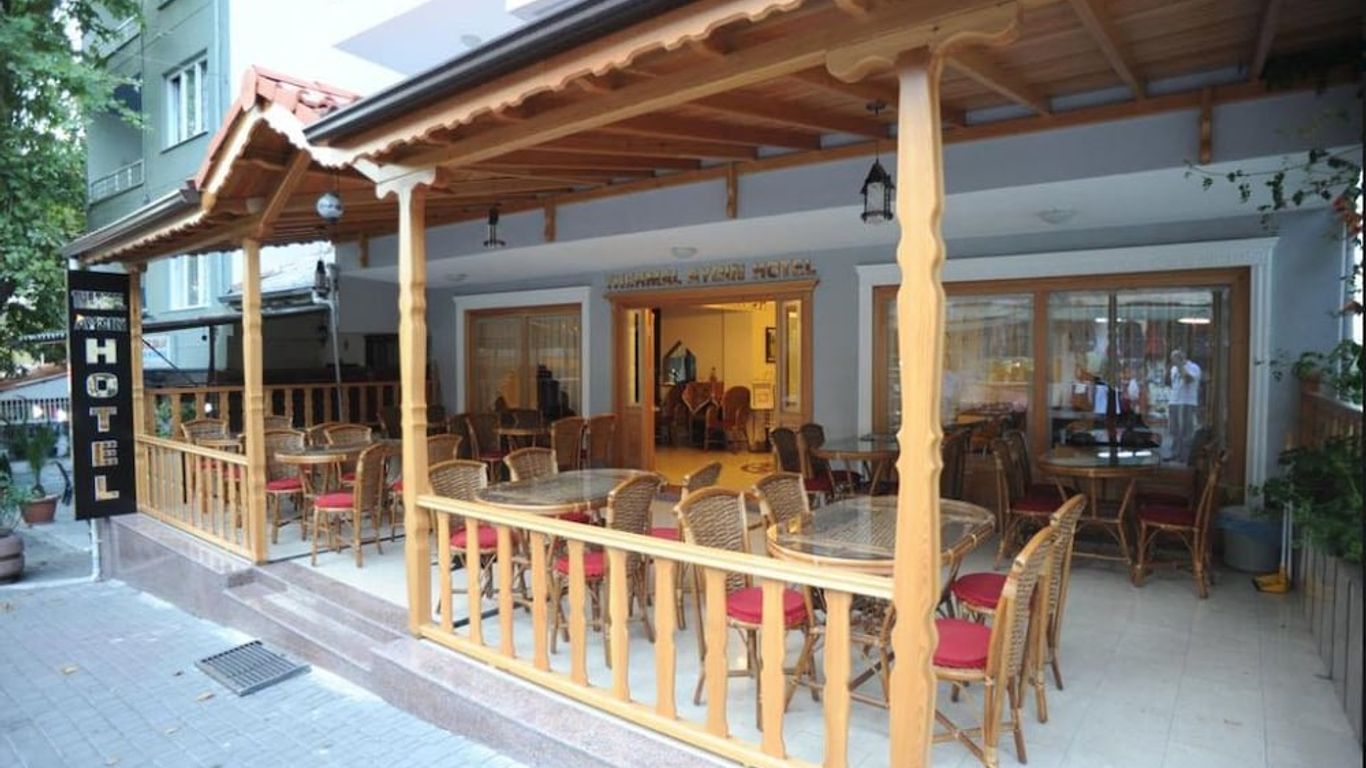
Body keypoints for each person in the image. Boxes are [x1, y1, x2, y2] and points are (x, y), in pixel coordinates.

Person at [1167, 350, 1201, 463]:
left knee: (1186, 431)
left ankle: (1185, 456)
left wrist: (1180, 366)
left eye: (1175, 358)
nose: (1173, 361)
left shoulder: (1193, 367)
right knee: (1174, 430)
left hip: (1187, 402)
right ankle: (1175, 453)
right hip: (1174, 401)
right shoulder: (1173, 369)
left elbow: (1188, 380)